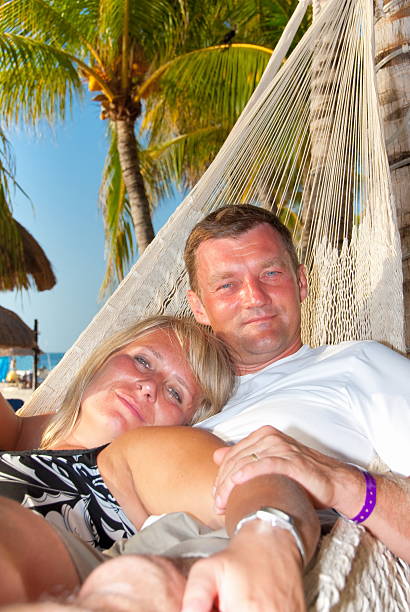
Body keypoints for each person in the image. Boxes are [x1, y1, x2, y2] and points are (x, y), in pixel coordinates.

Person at [0, 313, 320, 610]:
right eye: (142, 361)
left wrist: (268, 541)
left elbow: (254, 479)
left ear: (184, 424)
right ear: (106, 357)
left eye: (175, 394)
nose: (149, 387)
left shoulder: (135, 454)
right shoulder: (14, 430)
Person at [182, 203, 410, 566]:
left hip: (252, 560)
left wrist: (342, 482)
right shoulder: (177, 398)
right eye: (227, 285)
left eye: (270, 273)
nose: (254, 298)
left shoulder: (357, 364)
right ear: (199, 308)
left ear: (301, 282)